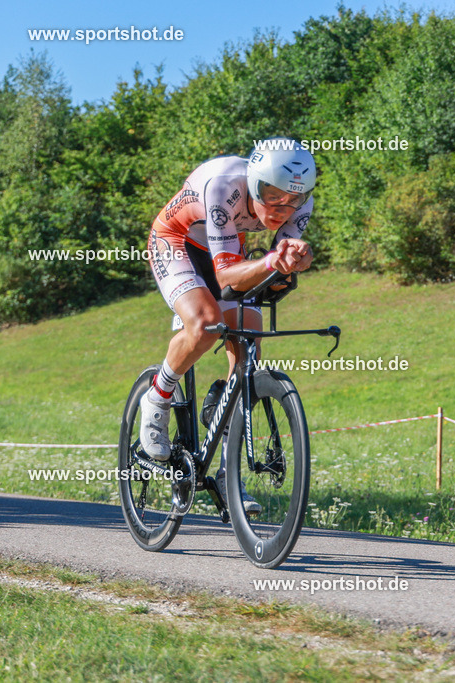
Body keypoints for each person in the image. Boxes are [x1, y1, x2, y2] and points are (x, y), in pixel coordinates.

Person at [141, 137, 315, 515]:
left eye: (293, 199)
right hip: (177, 242)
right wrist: (272, 262)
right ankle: (157, 396)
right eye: (272, 195)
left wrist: (295, 260)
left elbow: (278, 262)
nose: (282, 209)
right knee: (206, 323)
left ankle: (227, 473)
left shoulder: (302, 204)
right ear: (253, 183)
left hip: (228, 247)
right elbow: (225, 279)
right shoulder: (223, 185)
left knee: (249, 340)